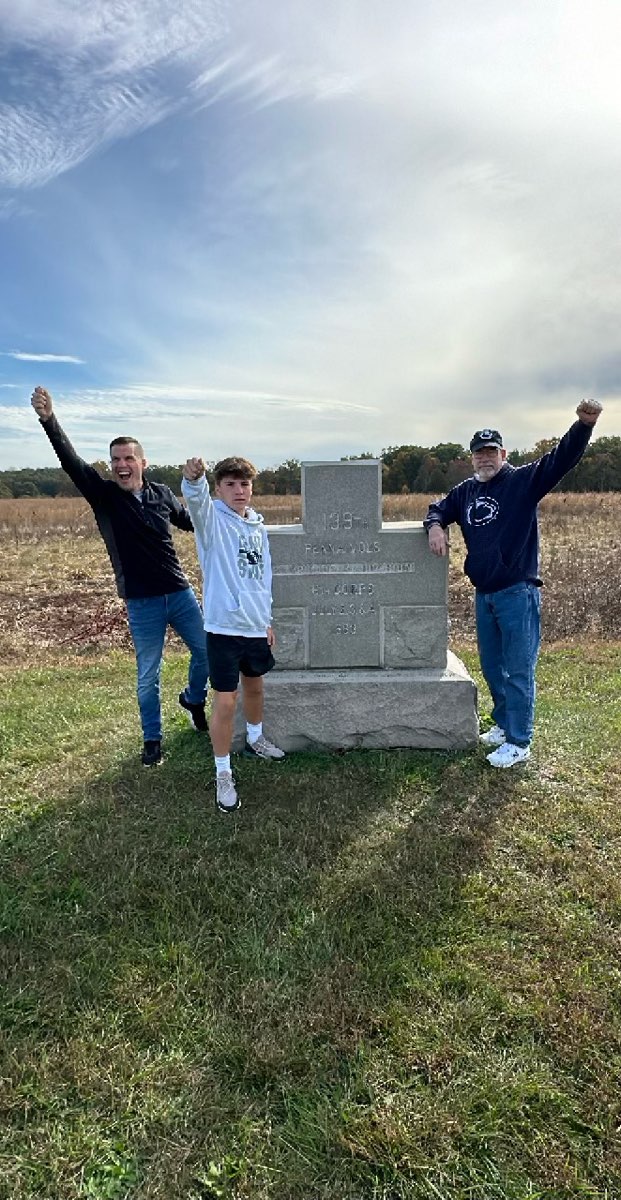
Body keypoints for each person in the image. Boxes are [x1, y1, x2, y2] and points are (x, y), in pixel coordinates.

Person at [30, 386, 208, 767]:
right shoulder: (105, 496)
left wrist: (226, 513)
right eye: (115, 460)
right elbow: (70, 462)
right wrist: (49, 421)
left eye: (129, 458)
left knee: (208, 652)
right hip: (141, 600)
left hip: (179, 592)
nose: (121, 465)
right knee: (148, 675)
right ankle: (152, 740)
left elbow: (194, 524)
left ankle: (193, 698)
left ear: (143, 461)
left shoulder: (161, 494)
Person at [424, 398, 602, 768]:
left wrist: (583, 425)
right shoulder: (466, 492)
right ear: (471, 457)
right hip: (484, 594)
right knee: (492, 667)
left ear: (503, 453)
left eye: (491, 452)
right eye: (479, 453)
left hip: (517, 592)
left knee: (518, 669)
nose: (485, 458)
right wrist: (436, 526)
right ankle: (504, 726)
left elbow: (561, 459)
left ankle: (520, 742)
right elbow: (438, 506)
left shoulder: (522, 481)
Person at [181, 453, 285, 814]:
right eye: (230, 484)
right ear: (219, 488)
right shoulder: (211, 521)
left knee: (255, 686)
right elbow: (195, 500)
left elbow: (263, 577)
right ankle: (223, 772)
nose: (239, 490)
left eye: (244, 484)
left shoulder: (258, 527)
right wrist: (193, 480)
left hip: (256, 627)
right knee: (226, 701)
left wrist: (266, 620)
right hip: (224, 628)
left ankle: (256, 739)